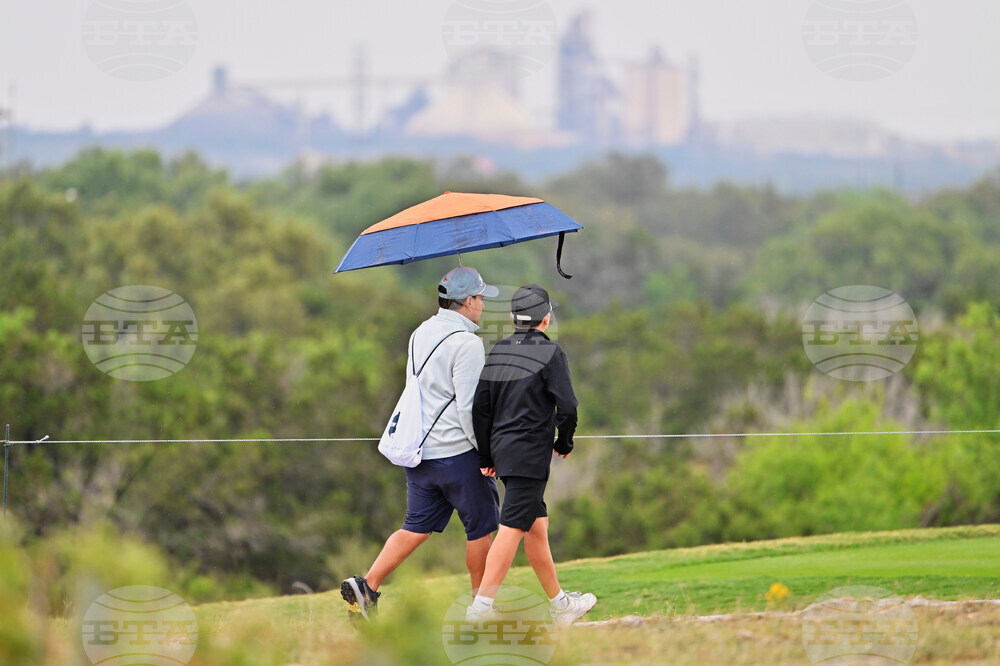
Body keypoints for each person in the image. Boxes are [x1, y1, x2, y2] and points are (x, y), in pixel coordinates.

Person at [341, 267, 501, 621]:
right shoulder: (467, 344)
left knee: (416, 526)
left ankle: (367, 585)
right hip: (458, 454)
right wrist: (486, 452)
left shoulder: (419, 333)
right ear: (468, 301)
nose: (482, 306)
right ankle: (481, 606)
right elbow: (468, 407)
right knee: (481, 528)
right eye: (480, 299)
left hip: (419, 454)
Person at [468, 284, 597, 627]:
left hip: (503, 453)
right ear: (546, 319)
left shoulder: (496, 352)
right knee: (511, 527)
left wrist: (486, 456)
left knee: (536, 526)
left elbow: (481, 409)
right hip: (529, 457)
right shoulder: (551, 353)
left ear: (513, 318)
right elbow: (568, 407)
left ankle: (560, 605)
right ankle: (481, 606)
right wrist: (564, 441)